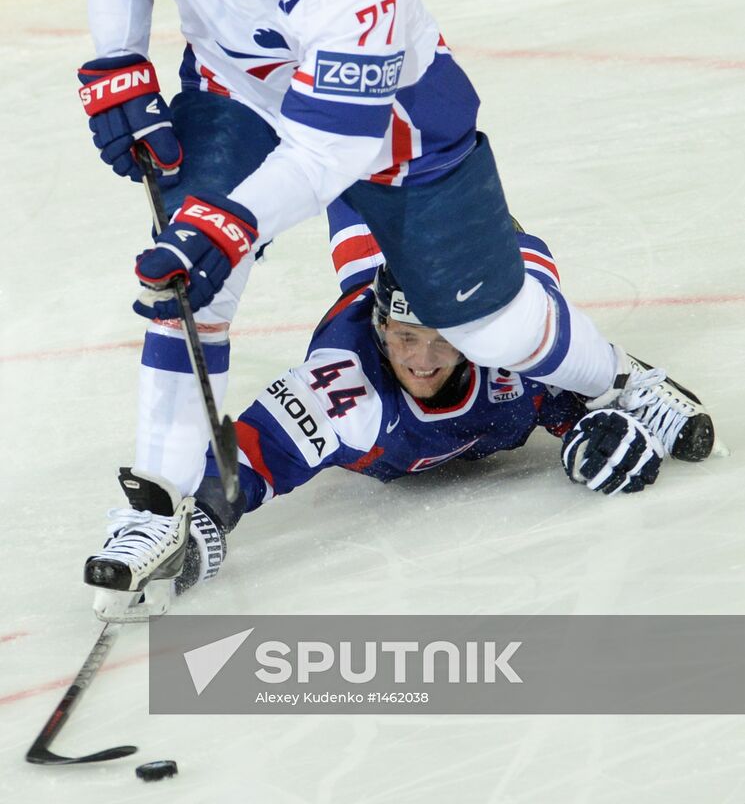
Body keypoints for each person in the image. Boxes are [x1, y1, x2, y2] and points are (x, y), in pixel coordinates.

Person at [75, 0, 713, 619]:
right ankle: (156, 510)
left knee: (489, 330)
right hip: (238, 94)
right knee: (187, 286)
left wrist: (230, 224)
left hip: (394, 131)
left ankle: (619, 379)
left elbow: (325, 157)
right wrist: (116, 57)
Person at [85, 233, 711, 617]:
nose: (421, 359)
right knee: (352, 183)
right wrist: (188, 531)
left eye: (442, 340)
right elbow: (243, 463)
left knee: (512, 259)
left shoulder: (508, 342)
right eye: (406, 337)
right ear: (382, 327)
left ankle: (637, 378)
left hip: (495, 290)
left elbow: (560, 395)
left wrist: (593, 424)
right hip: (370, 312)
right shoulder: (344, 390)